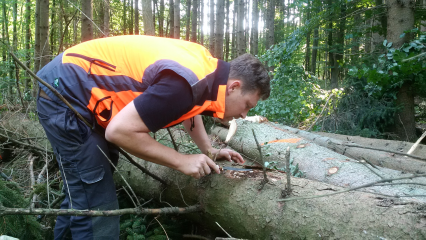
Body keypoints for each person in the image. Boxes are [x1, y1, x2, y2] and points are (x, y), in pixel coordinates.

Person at [36, 35, 270, 239]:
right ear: (234, 87)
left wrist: (209, 150)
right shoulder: (187, 82)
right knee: (95, 199)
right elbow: (118, 131)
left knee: (85, 188)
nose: (243, 113)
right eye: (247, 105)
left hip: (78, 90)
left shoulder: (205, 73)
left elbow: (191, 110)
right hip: (65, 91)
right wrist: (181, 160)